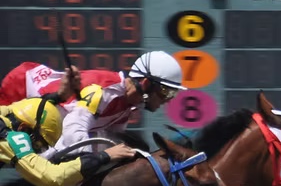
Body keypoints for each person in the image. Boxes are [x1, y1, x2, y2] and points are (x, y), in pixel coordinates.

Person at [3, 52, 186, 157]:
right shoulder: (106, 91)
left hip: (42, 126)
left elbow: (107, 138)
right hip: (16, 96)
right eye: (166, 92)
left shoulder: (131, 104)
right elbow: (73, 129)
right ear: (146, 83)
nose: (168, 99)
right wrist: (98, 160)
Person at [1, 95, 137, 186]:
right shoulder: (13, 138)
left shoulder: (6, 114)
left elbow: (15, 107)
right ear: (23, 128)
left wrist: (55, 96)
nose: (36, 151)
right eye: (37, 144)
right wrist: (103, 156)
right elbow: (52, 177)